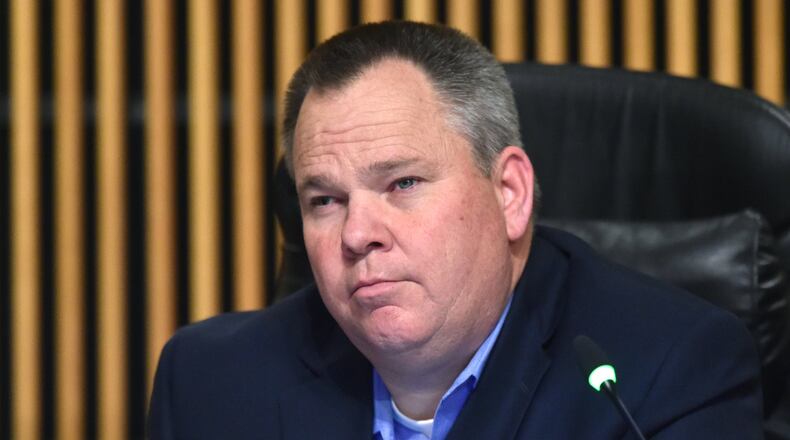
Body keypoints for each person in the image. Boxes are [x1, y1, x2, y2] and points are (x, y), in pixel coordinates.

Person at [148, 21, 763, 439]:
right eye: (326, 200)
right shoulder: (210, 386)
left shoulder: (667, 378)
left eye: (403, 184)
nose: (358, 233)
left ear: (510, 194)